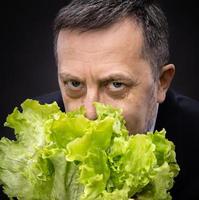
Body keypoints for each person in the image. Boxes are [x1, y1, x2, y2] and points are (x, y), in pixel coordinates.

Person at [1, 0, 199, 199]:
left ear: (161, 82)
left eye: (116, 85)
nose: (90, 113)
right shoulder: (31, 144)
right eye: (74, 84)